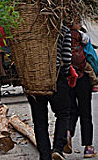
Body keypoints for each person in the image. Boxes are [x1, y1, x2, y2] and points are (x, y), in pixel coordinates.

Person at [26, 23, 72, 160]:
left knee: (40, 121)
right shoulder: (62, 28)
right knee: (63, 113)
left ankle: (44, 155)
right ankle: (58, 148)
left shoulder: (28, 30)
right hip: (56, 77)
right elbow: (67, 58)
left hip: (34, 78)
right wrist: (65, 73)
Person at [65, 23, 98, 158]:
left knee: (71, 109)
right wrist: (94, 75)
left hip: (67, 77)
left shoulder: (61, 35)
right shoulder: (82, 36)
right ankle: (88, 147)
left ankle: (68, 132)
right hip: (83, 77)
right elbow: (91, 56)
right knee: (86, 112)